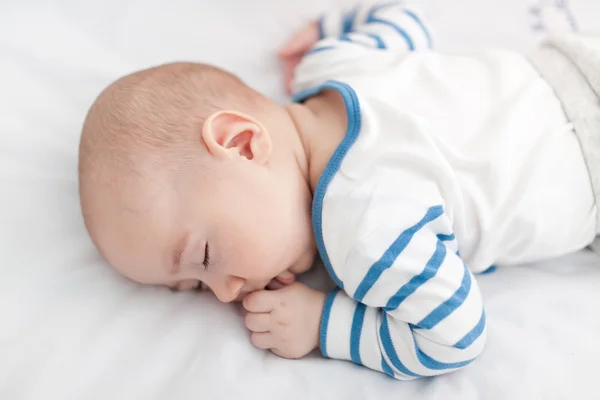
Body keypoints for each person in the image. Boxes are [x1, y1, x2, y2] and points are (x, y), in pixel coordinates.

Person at [78, 2, 600, 379]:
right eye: (195, 287)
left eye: (206, 257)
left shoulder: (367, 231)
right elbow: (401, 18)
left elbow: (456, 340)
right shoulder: (331, 65)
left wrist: (324, 325)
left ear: (241, 143)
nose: (226, 292)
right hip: (575, 65)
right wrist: (327, 26)